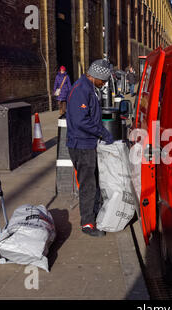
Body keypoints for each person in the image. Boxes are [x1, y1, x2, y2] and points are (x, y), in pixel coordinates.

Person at [66, 59, 114, 237]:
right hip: (82, 145)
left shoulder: (88, 87)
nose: (105, 84)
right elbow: (81, 120)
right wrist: (102, 132)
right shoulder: (81, 89)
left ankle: (94, 214)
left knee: (93, 182)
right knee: (88, 185)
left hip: (87, 143)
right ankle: (87, 223)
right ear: (96, 76)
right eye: (104, 80)